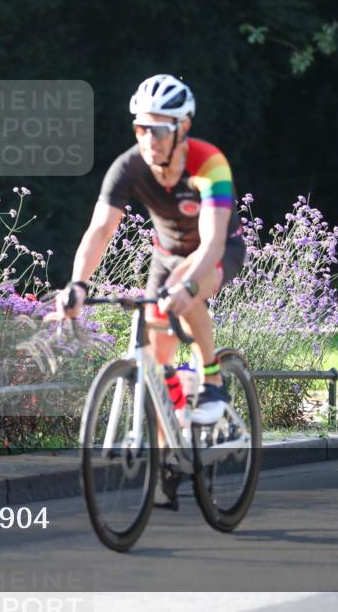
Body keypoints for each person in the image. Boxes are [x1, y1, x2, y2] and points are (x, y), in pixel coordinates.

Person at [51, 74, 246, 427]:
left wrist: (188, 286)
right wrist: (77, 284)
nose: (148, 139)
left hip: (218, 249)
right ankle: (168, 446)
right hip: (167, 254)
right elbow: (100, 230)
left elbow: (212, 241)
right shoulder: (129, 166)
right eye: (141, 128)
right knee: (156, 367)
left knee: (183, 288)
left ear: (182, 128)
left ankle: (212, 377)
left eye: (158, 130)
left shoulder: (208, 163)